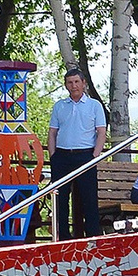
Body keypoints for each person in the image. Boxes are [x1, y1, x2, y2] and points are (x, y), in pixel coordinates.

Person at [48, 66, 110, 242]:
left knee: (88, 198)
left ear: (84, 83)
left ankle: (92, 237)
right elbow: (52, 133)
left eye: (76, 82)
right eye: (70, 82)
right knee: (60, 198)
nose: (73, 85)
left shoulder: (94, 105)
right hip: (62, 156)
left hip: (85, 156)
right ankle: (63, 237)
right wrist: (53, 156)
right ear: (66, 85)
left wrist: (95, 156)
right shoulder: (60, 106)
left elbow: (101, 132)